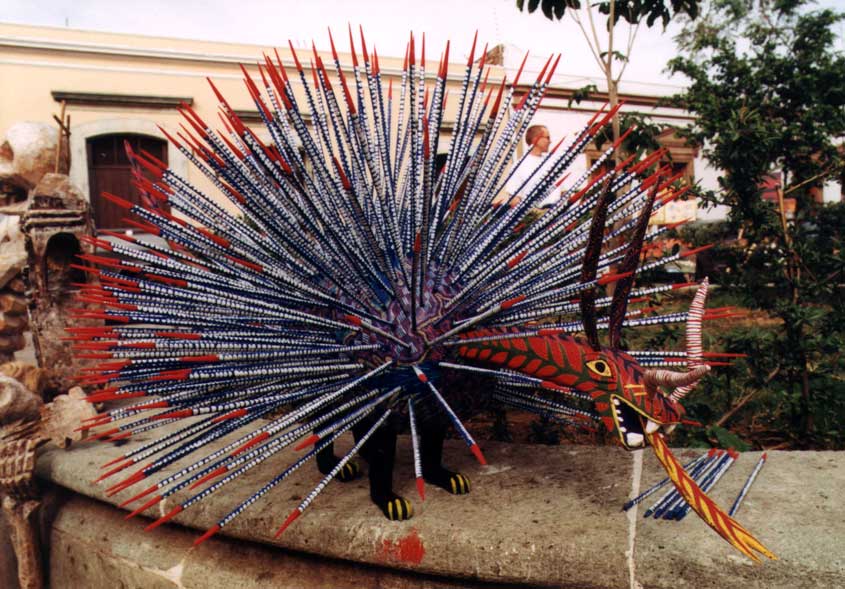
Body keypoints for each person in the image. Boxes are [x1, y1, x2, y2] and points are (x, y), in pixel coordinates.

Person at [495, 124, 558, 208]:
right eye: (547, 138)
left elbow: (561, 190)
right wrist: (533, 215)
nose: (550, 141)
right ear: (536, 139)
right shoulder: (519, 166)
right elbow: (514, 198)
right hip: (537, 215)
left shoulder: (552, 162)